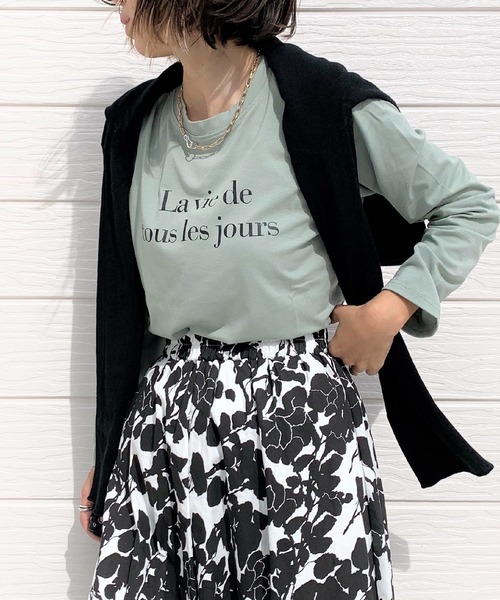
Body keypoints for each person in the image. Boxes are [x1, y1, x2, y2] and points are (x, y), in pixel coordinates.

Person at [80, 0, 499, 598]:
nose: (115, 3)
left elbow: (468, 206)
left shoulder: (319, 102)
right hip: (170, 430)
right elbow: (128, 312)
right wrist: (112, 448)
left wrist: (388, 311)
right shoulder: (133, 126)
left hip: (298, 423)